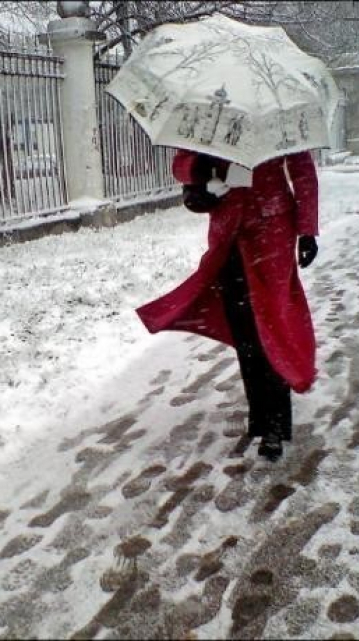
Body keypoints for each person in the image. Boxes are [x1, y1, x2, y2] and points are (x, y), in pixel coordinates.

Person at [137, 150, 319, 462]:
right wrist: (203, 169)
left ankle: (276, 423)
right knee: (243, 327)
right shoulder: (212, 122)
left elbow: (302, 170)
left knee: (272, 323)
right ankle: (259, 414)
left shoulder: (279, 122)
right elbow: (180, 164)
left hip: (272, 231)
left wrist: (307, 230)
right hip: (228, 232)